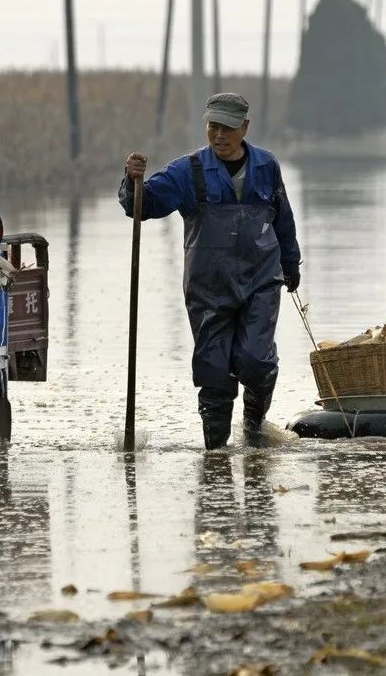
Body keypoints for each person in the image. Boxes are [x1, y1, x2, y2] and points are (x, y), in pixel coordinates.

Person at [119, 93, 301, 449]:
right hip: (208, 287)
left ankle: (254, 428)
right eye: (213, 126)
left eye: (228, 128)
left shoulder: (267, 166)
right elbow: (142, 207)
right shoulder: (189, 171)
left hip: (261, 280)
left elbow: (283, 218)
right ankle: (215, 453)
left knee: (254, 360)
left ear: (244, 128)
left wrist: (290, 263)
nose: (219, 135)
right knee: (214, 370)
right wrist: (132, 181)